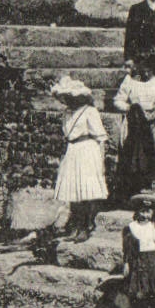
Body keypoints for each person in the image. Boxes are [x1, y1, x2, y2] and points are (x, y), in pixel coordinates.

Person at [51, 77, 108, 240]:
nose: (67, 100)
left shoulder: (90, 111)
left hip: (87, 150)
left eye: (70, 96)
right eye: (65, 97)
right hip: (73, 150)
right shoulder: (67, 113)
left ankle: (86, 226)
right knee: (73, 190)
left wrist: (100, 161)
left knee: (86, 189)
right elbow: (68, 135)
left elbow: (101, 137)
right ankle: (75, 227)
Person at [111, 63, 155, 207]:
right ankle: (133, 190)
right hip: (135, 122)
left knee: (152, 152)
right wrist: (131, 108)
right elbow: (118, 100)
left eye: (149, 68)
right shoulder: (130, 81)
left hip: (153, 123)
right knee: (133, 153)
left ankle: (150, 185)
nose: (146, 71)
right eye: (143, 68)